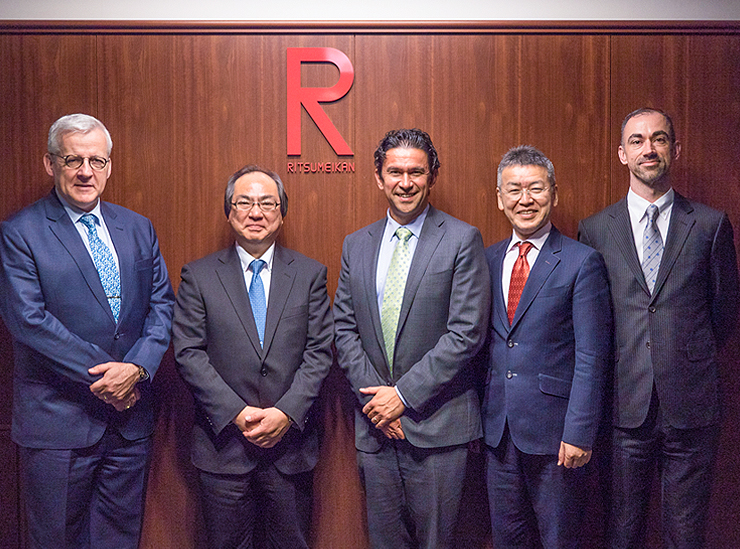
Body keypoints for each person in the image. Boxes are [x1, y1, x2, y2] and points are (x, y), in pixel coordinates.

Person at [0, 113, 174, 548]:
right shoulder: (20, 233)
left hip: (129, 421)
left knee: (119, 539)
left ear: (109, 166)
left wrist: (136, 369)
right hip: (58, 423)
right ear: (49, 164)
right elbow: (28, 320)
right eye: (73, 159)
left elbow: (162, 306)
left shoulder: (137, 227)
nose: (85, 172)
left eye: (96, 161)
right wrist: (111, 375)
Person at [578, 108, 740, 548]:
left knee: (686, 536)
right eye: (637, 140)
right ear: (622, 154)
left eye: (659, 139)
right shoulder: (594, 230)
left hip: (692, 406)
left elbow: (725, 314)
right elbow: (591, 322)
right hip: (622, 406)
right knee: (621, 532)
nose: (648, 148)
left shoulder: (710, 225)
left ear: (675, 149)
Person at [333, 128, 491, 549]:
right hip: (376, 429)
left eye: (416, 172)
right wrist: (378, 404)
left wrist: (401, 396)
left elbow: (466, 333)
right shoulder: (356, 244)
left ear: (432, 176)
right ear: (378, 177)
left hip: (438, 428)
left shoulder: (461, 239)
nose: (406, 182)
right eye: (396, 171)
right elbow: (344, 329)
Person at [173, 165, 333, 548]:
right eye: (244, 202)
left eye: (267, 203)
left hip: (289, 447)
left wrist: (286, 412)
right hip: (223, 446)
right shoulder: (199, 276)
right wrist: (237, 413)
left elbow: (319, 351)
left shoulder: (310, 274)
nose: (256, 212)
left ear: (282, 212)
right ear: (229, 212)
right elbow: (189, 353)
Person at [482, 145, 612, 548]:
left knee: (560, 541)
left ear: (554, 194)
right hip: (498, 435)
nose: (525, 199)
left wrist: (579, 433)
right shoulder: (484, 260)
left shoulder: (581, 261)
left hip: (557, 438)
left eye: (536, 188)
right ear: (499, 198)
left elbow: (593, 356)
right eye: (514, 189)